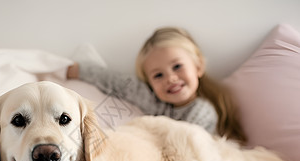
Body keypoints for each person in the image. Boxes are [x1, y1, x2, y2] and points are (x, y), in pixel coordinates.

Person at [67, 27, 246, 142]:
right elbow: (121, 84)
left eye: (177, 66)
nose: (171, 78)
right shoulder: (156, 103)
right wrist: (80, 71)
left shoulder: (202, 110)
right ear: (151, 84)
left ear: (198, 67)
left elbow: (183, 143)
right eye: (158, 75)